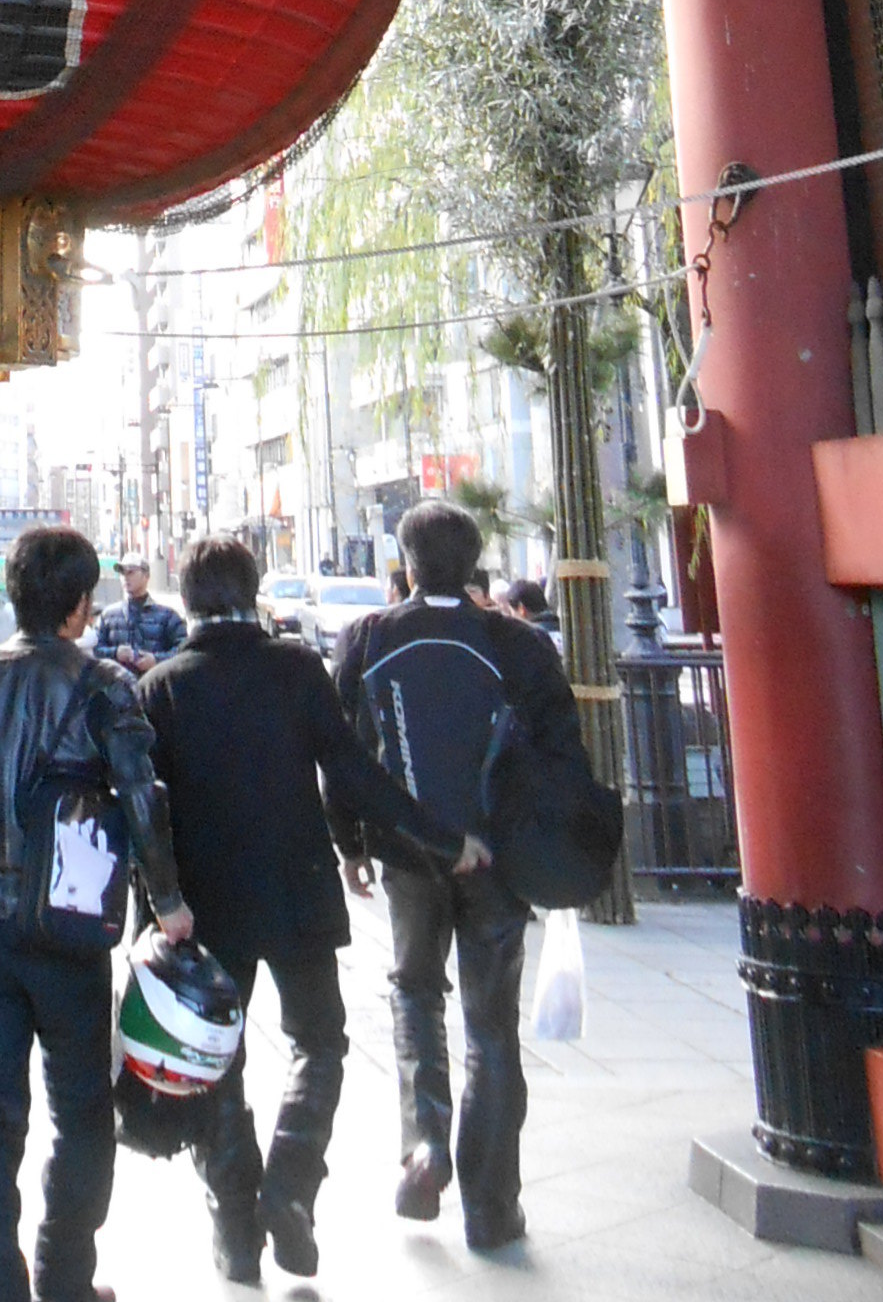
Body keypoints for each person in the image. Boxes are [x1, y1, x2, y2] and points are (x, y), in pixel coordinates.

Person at [139, 535, 490, 1284]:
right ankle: (292, 1184)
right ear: (254, 588)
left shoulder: (163, 687)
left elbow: (148, 812)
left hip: (206, 907)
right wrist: (441, 838)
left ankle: (236, 1228)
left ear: (188, 596)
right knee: (319, 1044)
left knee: (214, 1061)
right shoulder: (297, 669)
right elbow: (358, 777)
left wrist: (158, 902)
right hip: (296, 888)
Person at [0, 525, 192, 1302]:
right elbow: (143, 800)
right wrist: (170, 903)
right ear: (83, 604)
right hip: (71, 936)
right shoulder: (105, 687)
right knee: (84, 1114)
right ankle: (66, 1280)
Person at [331, 498, 590, 1254]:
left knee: (414, 991)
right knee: (491, 1026)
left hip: (410, 853)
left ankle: (425, 1144)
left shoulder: (368, 637)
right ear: (475, 562)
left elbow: (344, 753)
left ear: (405, 564)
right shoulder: (517, 643)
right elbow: (559, 753)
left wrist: (348, 840)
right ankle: (492, 1205)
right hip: (497, 858)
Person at [91, 554, 185, 673]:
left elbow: (183, 651)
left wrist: (156, 660)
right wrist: (115, 653)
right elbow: (94, 650)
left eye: (131, 572)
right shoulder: (108, 616)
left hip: (156, 685)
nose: (125, 577)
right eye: (122, 573)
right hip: (117, 687)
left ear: (146, 576)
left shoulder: (168, 617)